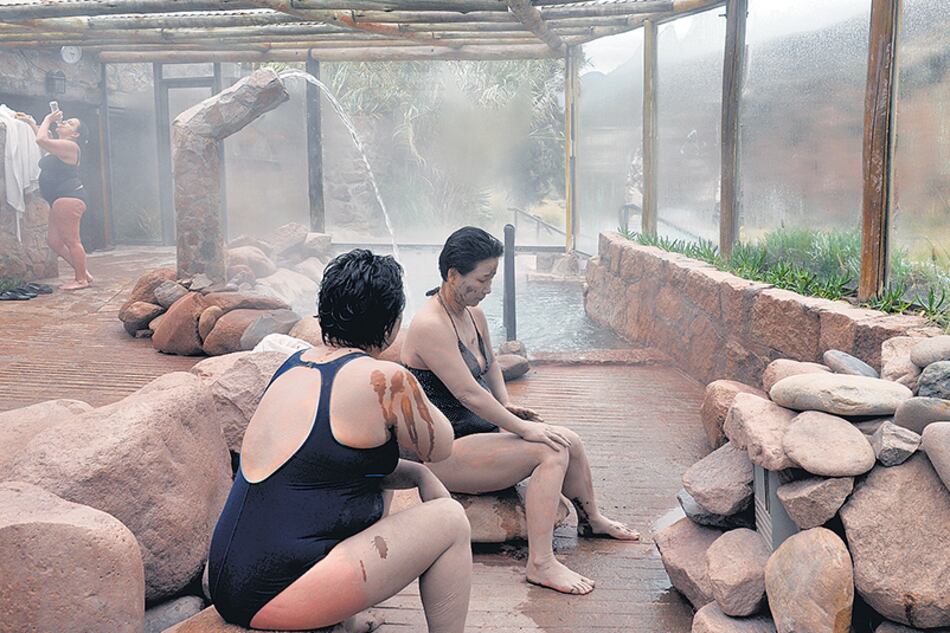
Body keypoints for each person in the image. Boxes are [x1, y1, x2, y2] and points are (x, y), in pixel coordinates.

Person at [208, 249, 471, 633]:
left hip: (229, 580)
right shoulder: (384, 380)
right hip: (273, 595)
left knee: (369, 475)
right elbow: (442, 446)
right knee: (450, 521)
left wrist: (416, 475)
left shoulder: (295, 364)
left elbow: (321, 471)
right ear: (393, 323)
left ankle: (343, 621)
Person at [402, 226, 640, 596]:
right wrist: (520, 429)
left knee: (569, 440)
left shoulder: (472, 314)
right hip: (445, 451)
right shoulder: (430, 325)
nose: (489, 288)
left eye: (492, 277)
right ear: (453, 275)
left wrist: (506, 406)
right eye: (483, 278)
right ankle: (540, 563)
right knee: (549, 451)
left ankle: (591, 520)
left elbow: (491, 366)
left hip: (480, 436)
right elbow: (467, 393)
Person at [15, 109, 92, 290]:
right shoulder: (59, 147)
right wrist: (32, 122)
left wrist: (48, 119)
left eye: (70, 123)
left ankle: (80, 279)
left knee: (72, 240)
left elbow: (41, 140)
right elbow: (44, 144)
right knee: (54, 241)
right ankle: (84, 272)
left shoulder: (71, 146)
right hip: (58, 199)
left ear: (75, 134)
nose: (64, 123)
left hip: (69, 197)